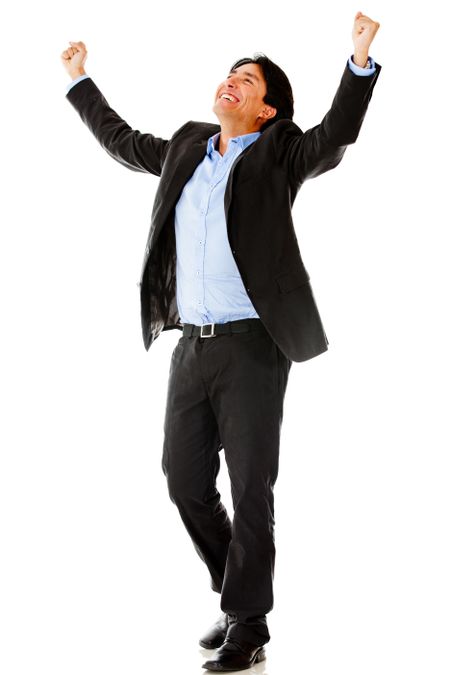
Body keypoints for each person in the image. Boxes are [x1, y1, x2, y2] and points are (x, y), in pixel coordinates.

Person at [61, 11, 381, 672]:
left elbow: (335, 135)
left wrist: (358, 59)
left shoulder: (278, 151)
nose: (231, 82)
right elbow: (121, 140)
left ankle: (250, 624)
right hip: (192, 349)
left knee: (250, 487)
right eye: (230, 74)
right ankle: (237, 593)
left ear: (265, 110)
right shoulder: (186, 144)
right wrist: (79, 80)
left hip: (254, 350)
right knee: (182, 482)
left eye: (248, 79)